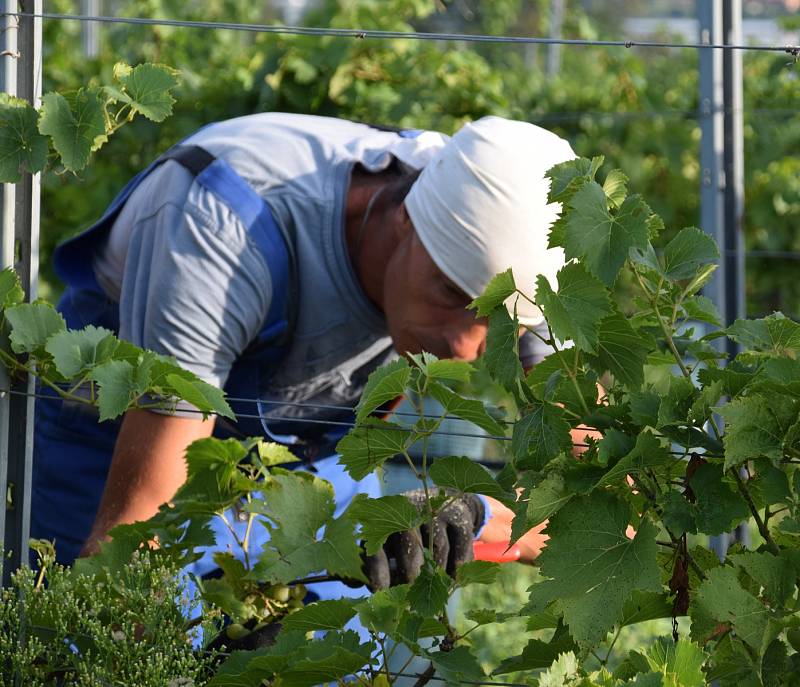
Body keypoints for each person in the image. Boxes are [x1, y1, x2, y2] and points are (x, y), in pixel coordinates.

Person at [31, 113, 576, 584]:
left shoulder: (513, 232)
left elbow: (589, 470)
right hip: (113, 437)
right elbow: (135, 533)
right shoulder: (223, 225)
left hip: (305, 468)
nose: (464, 346)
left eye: (500, 323)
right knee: (89, 623)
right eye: (450, 294)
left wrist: (470, 515)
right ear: (408, 216)